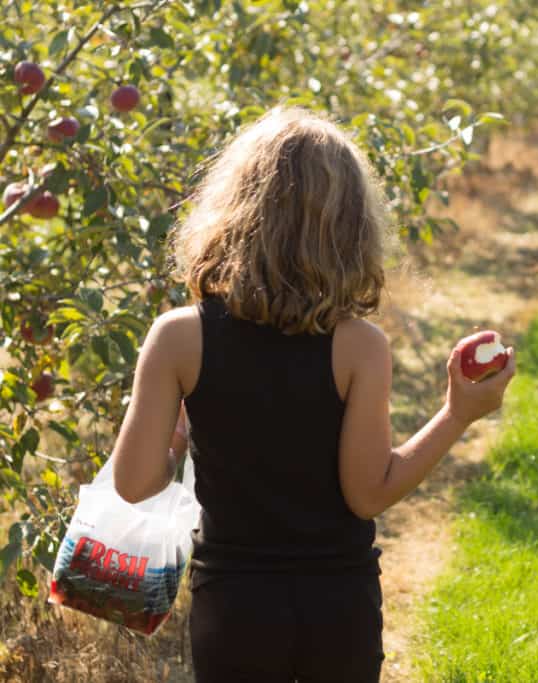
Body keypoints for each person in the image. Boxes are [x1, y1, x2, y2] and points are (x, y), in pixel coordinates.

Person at [109, 106, 516, 682]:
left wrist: (180, 431)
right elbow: (367, 494)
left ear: (231, 212)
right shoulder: (359, 347)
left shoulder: (179, 336)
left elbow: (134, 482)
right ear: (351, 227)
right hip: (337, 605)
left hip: (235, 605)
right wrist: (457, 413)